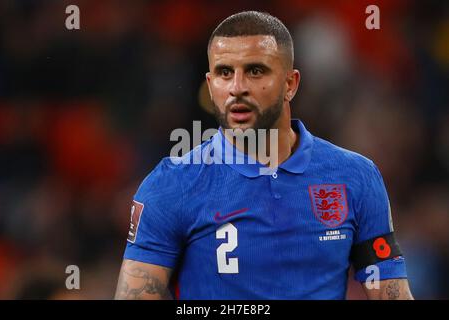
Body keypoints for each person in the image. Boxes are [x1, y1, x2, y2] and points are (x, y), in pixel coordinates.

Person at [115, 11, 413, 300]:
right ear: (210, 84)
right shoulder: (170, 186)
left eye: (255, 71)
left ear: (290, 84)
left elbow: (392, 293)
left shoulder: (355, 177)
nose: (237, 88)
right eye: (224, 72)